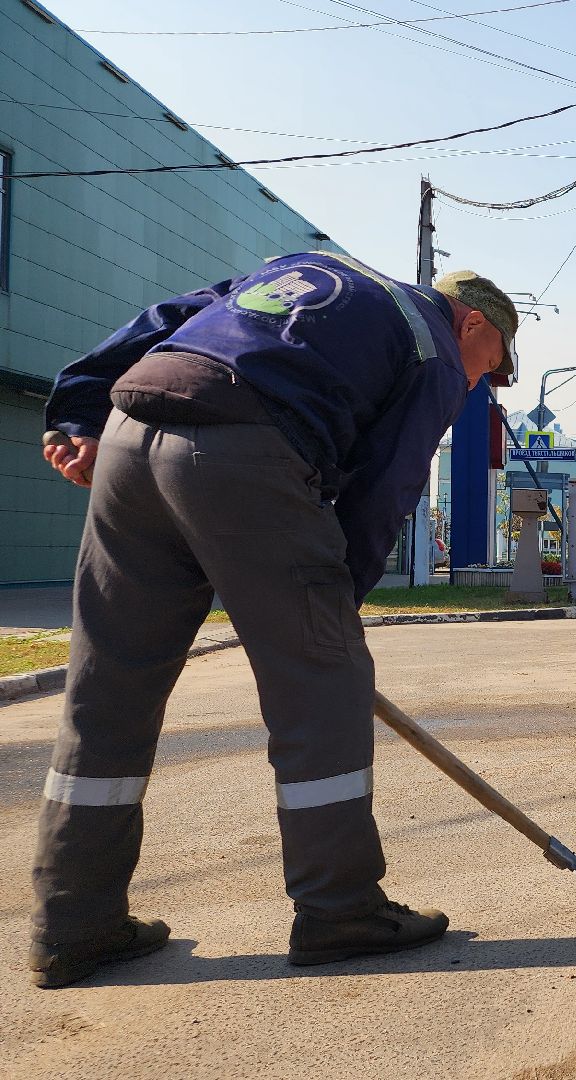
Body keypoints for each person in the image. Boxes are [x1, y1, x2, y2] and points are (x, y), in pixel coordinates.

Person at [29, 253, 518, 989]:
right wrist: (328, 624)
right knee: (323, 688)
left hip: (130, 433)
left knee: (108, 688)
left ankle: (73, 925)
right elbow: (383, 493)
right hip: (243, 445)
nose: (485, 381)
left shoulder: (302, 269)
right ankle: (339, 909)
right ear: (473, 323)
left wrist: (76, 410)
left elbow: (163, 324)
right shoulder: (435, 348)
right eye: (495, 364)